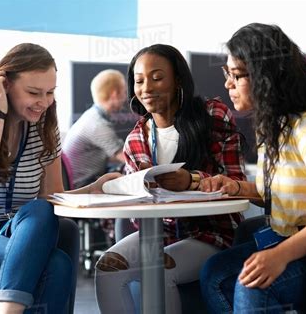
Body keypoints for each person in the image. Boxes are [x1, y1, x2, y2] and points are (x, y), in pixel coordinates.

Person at [0, 43, 118, 314]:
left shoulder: (43, 129)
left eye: (50, 92)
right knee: (56, 265)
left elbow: (50, 196)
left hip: (15, 231)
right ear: (4, 85)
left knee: (41, 209)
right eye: (33, 92)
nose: (44, 102)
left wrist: (95, 189)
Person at [199, 23, 306, 313]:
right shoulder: (275, 127)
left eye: (236, 76)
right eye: (227, 75)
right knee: (215, 273)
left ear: (265, 77)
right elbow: (284, 194)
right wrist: (234, 187)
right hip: (293, 241)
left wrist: (280, 255)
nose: (227, 85)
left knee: (253, 284)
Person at [94, 43, 247, 314]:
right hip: (160, 233)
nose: (146, 88)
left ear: (177, 79)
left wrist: (191, 180)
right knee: (107, 266)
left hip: (211, 233)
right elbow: (136, 216)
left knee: (159, 268)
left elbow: (235, 180)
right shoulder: (136, 139)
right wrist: (131, 191)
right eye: (139, 81)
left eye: (157, 77)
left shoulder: (212, 115)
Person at [63, 69, 127, 189]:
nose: (125, 98)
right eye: (124, 93)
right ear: (114, 94)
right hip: (83, 186)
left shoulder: (91, 116)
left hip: (80, 180)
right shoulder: (97, 125)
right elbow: (127, 159)